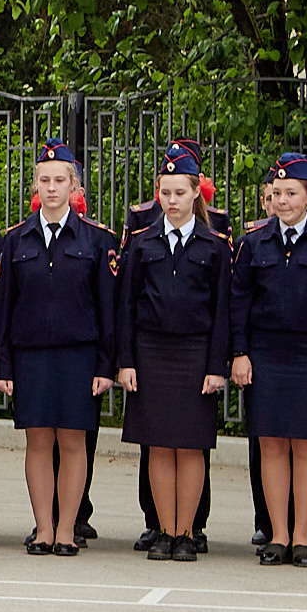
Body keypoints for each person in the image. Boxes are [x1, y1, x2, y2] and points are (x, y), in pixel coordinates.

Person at [0, 138, 117, 556]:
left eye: (59, 180)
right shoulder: (17, 239)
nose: (51, 188)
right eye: (44, 180)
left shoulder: (98, 240)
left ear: (74, 188)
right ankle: (43, 528)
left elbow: (106, 309)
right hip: (31, 356)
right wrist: (4, 365)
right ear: (36, 186)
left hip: (79, 357)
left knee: (73, 441)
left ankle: (68, 528)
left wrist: (105, 364)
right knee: (38, 442)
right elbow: (4, 307)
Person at [115, 144, 231, 563]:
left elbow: (222, 312)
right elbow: (126, 306)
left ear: (196, 193)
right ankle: (164, 530)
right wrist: (125, 361)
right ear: (158, 193)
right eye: (166, 192)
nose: (172, 201)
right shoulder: (143, 243)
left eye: (180, 192)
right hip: (151, 352)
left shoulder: (214, 245)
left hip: (195, 353)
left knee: (191, 445)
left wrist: (217, 365)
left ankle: (187, 531)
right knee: (160, 446)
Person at [230, 152, 307, 567]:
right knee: (272, 444)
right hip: (266, 355)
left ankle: (302, 536)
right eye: (277, 192)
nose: (281, 200)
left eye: (291, 193)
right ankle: (277, 534)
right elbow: (238, 302)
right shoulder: (252, 243)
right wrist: (240, 353)